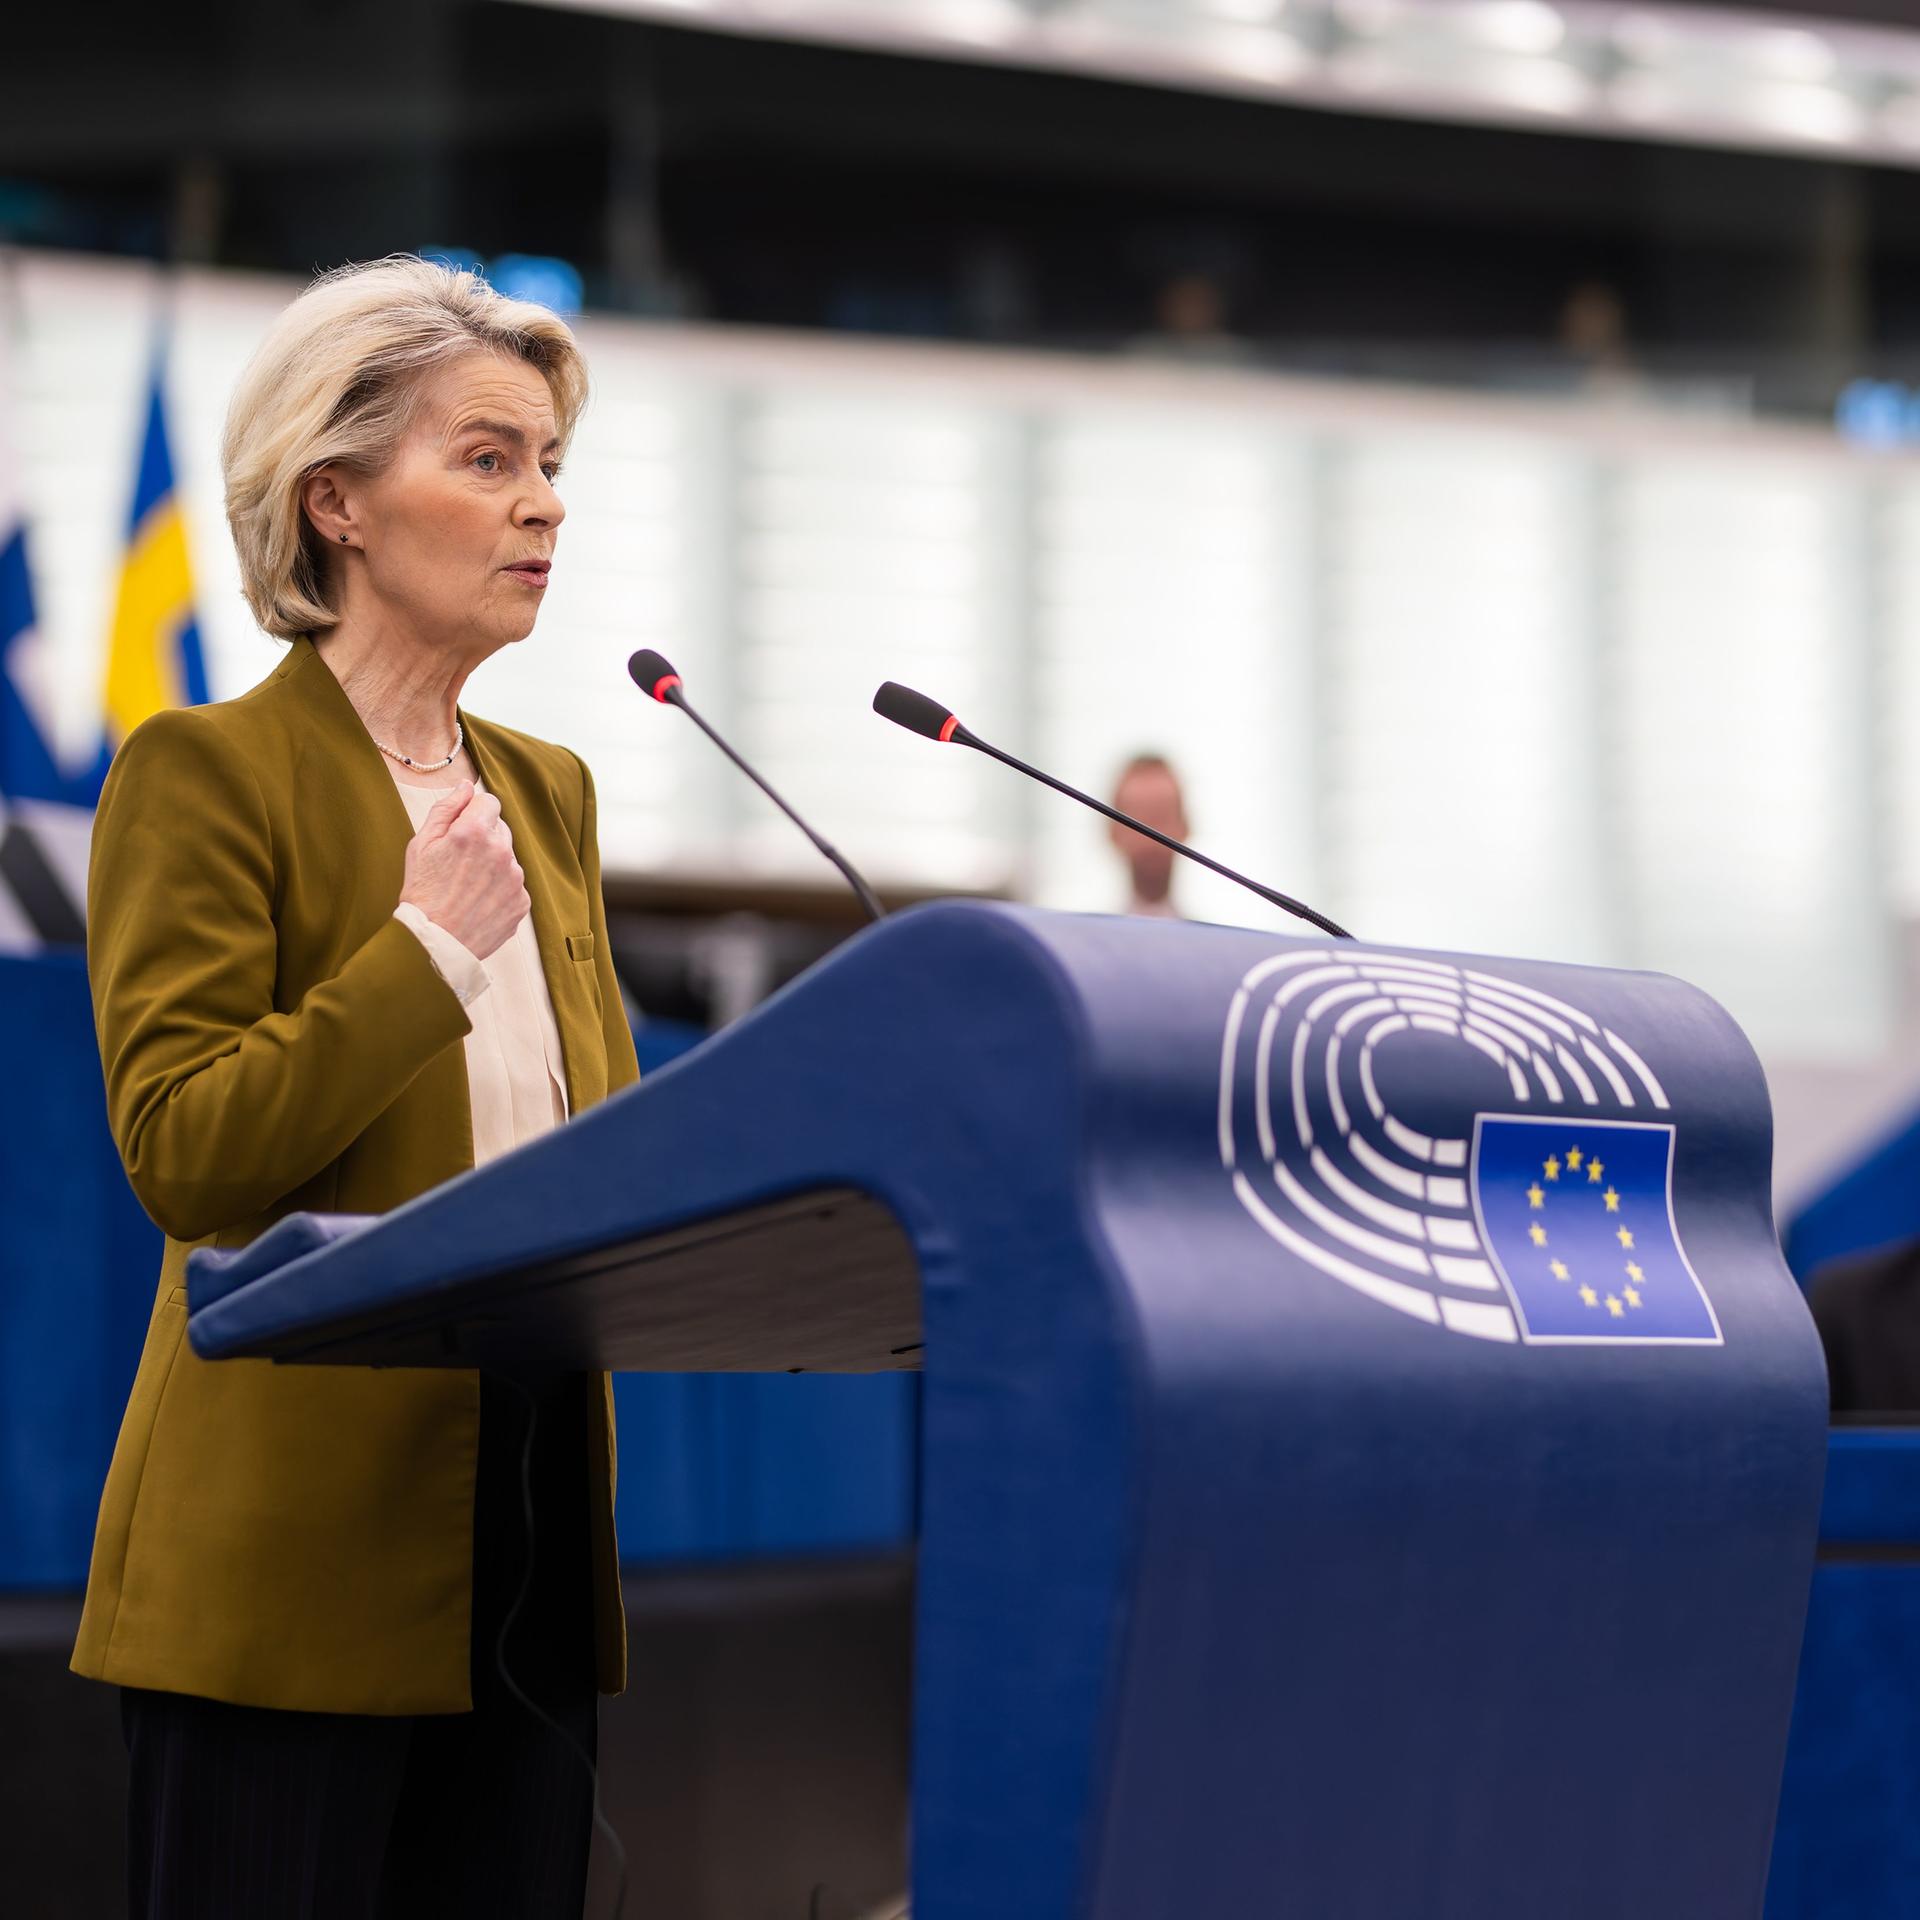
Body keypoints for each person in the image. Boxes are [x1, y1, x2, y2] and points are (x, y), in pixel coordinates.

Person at [72, 255, 639, 1918]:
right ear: (338, 503)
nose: (542, 506)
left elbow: (598, 1153)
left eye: (549, 467)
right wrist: (427, 954)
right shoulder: (206, 773)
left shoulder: (553, 793)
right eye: (489, 459)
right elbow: (186, 1154)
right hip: (289, 1570)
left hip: (526, 1537)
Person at [1108, 752, 1189, 919]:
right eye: (1137, 822)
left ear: (1184, 828)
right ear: (1114, 832)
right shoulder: (1076, 941)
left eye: (1161, 818)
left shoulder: (1220, 941)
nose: (1152, 838)